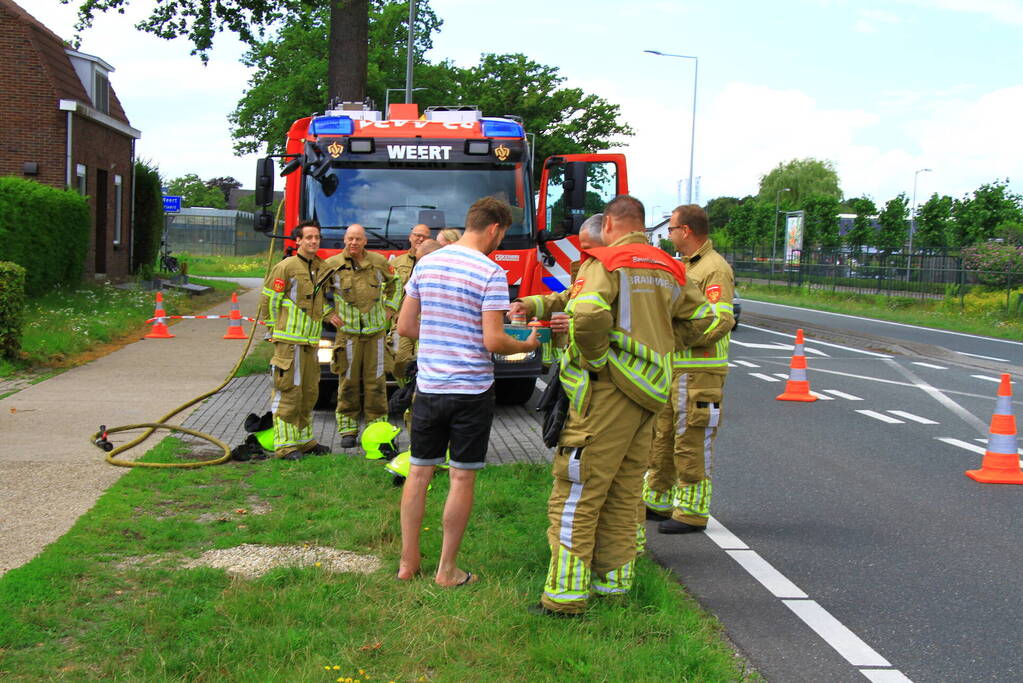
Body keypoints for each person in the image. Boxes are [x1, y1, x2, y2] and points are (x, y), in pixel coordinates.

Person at [535, 196, 723, 617]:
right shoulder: (670, 266)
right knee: (624, 492)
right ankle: (614, 586)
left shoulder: (608, 261)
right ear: (641, 223)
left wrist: (600, 356)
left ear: (611, 224)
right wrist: (662, 345)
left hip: (607, 394)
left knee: (577, 491)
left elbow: (585, 315)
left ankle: (564, 597)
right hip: (652, 394)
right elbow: (706, 320)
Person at [396, 197, 539, 587]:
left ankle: (407, 563)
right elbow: (494, 340)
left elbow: (405, 326)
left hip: (429, 388)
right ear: (494, 228)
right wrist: (527, 344)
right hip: (471, 391)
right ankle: (447, 570)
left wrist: (442, 336)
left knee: (418, 472)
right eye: (503, 235)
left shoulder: (427, 262)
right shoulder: (490, 272)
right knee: (461, 479)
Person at [644, 205, 735, 534]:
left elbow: (722, 319)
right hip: (677, 369)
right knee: (664, 436)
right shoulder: (684, 266)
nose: (668, 235)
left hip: (700, 370)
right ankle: (657, 498)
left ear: (687, 230)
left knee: (692, 440)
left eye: (671, 229)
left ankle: (693, 511)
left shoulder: (714, 268)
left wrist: (681, 341)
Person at [260, 220, 334, 460]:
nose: (314, 241)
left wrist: (331, 317)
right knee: (288, 393)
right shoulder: (287, 266)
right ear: (298, 240)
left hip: (310, 343)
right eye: (309, 237)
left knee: (309, 393)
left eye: (316, 237)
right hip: (289, 343)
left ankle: (304, 441)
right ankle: (285, 446)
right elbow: (270, 299)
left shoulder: (319, 267)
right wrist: (272, 330)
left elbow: (317, 304)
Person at [325, 224, 401, 449]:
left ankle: (376, 429)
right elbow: (314, 291)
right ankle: (348, 429)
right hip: (347, 336)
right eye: (350, 239)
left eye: (358, 239)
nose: (354, 243)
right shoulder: (332, 265)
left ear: (365, 241)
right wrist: (328, 314)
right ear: (345, 240)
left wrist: (391, 308)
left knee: (376, 383)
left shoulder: (378, 262)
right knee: (347, 382)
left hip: (376, 335)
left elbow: (395, 285)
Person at [508, 214, 603, 352]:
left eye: (588, 248)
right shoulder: (592, 269)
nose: (583, 255)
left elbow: (614, 321)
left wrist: (573, 325)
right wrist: (527, 305)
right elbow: (565, 298)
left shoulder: (615, 272)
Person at [387, 224, 432, 387]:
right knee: (399, 361)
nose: (420, 239)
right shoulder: (397, 263)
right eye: (417, 235)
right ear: (410, 237)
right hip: (403, 321)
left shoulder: (434, 262)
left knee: (424, 362)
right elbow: (388, 290)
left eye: (424, 236)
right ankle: (405, 391)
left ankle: (414, 400)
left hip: (426, 321)